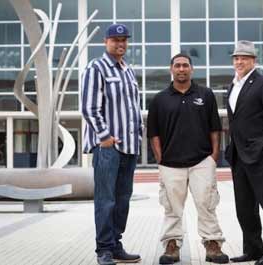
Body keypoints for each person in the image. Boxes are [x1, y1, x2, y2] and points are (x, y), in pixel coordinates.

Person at [147, 53, 229, 264]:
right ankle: (172, 245)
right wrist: (160, 159)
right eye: (177, 65)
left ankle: (213, 245)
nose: (181, 69)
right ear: (171, 69)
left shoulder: (206, 95)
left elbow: (215, 128)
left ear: (191, 69)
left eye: (185, 65)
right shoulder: (159, 99)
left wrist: (213, 156)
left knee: (207, 204)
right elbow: (153, 133)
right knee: (172, 208)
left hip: (202, 161)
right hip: (170, 164)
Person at [81, 23, 142, 265]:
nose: (121, 44)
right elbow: (89, 107)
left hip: (129, 147)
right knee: (106, 200)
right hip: (108, 148)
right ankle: (104, 249)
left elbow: (132, 108)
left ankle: (116, 243)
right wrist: (104, 136)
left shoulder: (127, 70)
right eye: (116, 40)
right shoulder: (97, 67)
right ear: (106, 42)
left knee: (123, 199)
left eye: (124, 40)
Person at [224, 40, 263, 265]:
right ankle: (253, 250)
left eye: (244, 58)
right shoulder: (232, 86)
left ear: (253, 61)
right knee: (245, 207)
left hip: (261, 154)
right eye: (236, 58)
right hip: (239, 156)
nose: (239, 61)